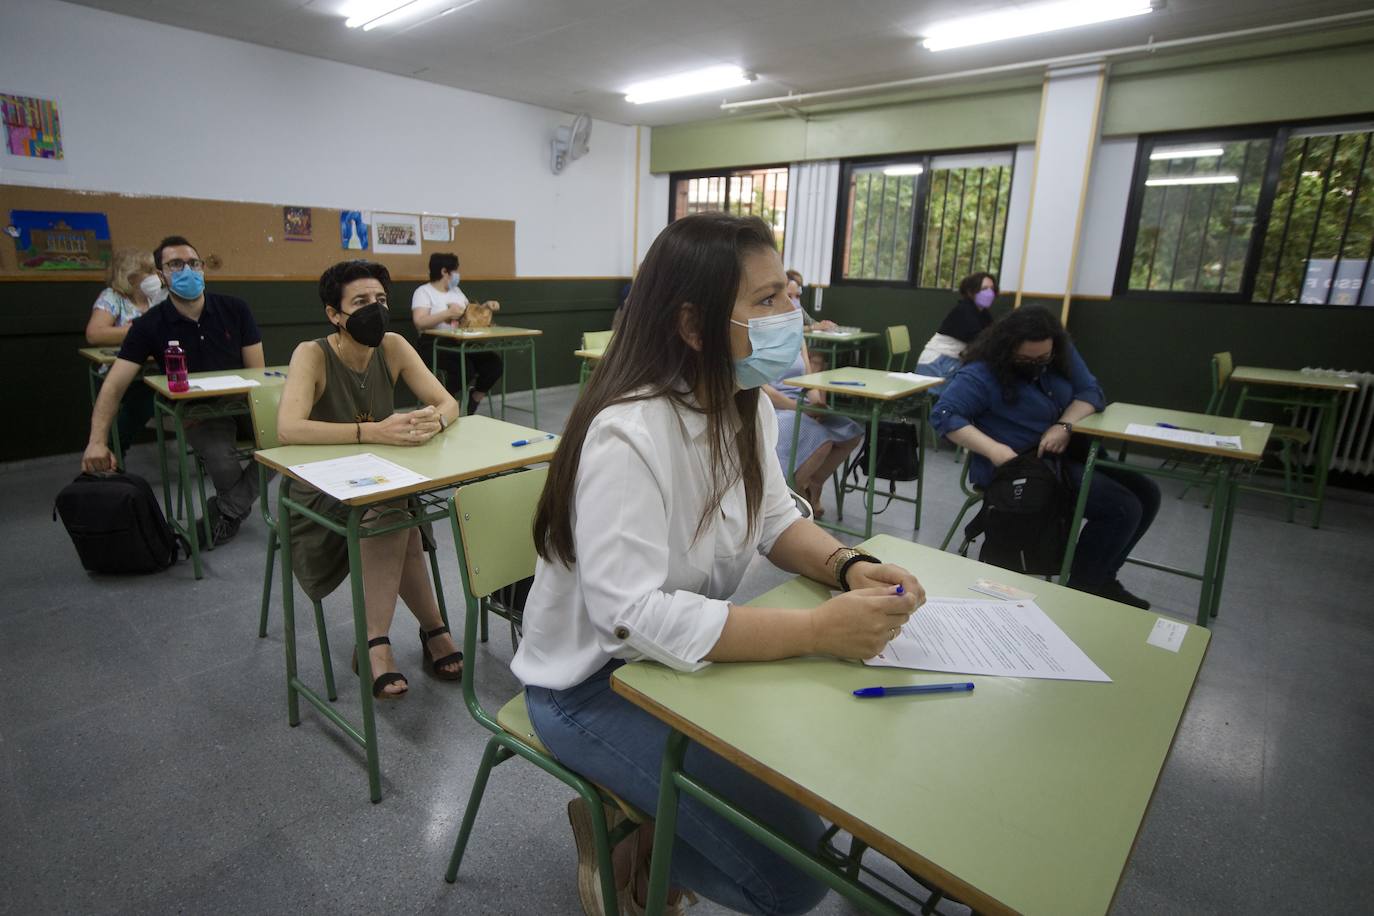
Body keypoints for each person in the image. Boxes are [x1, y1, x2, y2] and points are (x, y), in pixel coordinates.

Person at [512, 213, 926, 916]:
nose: (791, 314)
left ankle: (648, 824)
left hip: (680, 664)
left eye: (787, 295)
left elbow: (775, 521)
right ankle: (629, 843)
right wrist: (819, 631)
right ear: (695, 325)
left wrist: (849, 564)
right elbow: (630, 618)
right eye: (766, 301)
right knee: (794, 881)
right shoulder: (628, 431)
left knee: (820, 789)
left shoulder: (743, 403)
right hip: (590, 688)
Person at [276, 260, 463, 698]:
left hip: (380, 479)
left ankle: (395, 637)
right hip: (319, 488)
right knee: (397, 513)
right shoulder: (311, 354)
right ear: (334, 314)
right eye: (360, 302)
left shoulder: (394, 346)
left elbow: (446, 402)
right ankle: (394, 637)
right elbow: (288, 429)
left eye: (380, 300)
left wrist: (431, 423)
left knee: (396, 508)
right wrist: (371, 432)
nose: (374, 309)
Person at [930, 305, 1159, 609]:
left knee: (1148, 493)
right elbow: (945, 416)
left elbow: (1090, 392)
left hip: (1063, 453)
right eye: (1026, 360)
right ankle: (1082, 589)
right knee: (1122, 508)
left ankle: (1103, 578)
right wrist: (998, 452)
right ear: (1006, 350)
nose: (1036, 365)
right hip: (1019, 467)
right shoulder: (981, 374)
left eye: (1043, 359)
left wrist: (1064, 425)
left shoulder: (1057, 353)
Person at [81, 236, 264, 545]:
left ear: (203, 268)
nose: (187, 270)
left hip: (244, 403)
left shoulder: (235, 309)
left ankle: (227, 510)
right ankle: (233, 508)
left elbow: (257, 373)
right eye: (175, 265)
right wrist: (96, 442)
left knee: (289, 439)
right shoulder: (148, 325)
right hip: (199, 412)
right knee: (221, 458)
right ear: (161, 275)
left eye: (193, 263)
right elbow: (113, 385)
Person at [762, 336, 863, 520]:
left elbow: (808, 379)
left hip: (803, 403)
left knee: (851, 433)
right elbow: (764, 391)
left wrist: (817, 404)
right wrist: (801, 409)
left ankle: (815, 482)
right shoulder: (758, 336)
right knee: (821, 442)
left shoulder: (796, 335)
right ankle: (795, 494)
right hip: (776, 407)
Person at [85, 248, 166, 453]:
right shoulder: (112, 297)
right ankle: (113, 449)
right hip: (122, 372)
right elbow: (95, 334)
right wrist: (137, 331)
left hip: (154, 369)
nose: (155, 276)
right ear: (129, 276)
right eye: (148, 271)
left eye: (156, 271)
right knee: (147, 398)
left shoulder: (156, 299)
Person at [411, 252, 503, 417]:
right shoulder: (423, 292)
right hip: (433, 343)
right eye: (455, 271)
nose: (457, 275)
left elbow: (469, 314)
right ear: (444, 272)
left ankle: (473, 401)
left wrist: (485, 306)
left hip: (460, 341)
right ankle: (444, 404)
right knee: (464, 369)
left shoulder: (456, 291)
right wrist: (447, 313)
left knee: (493, 363)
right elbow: (420, 322)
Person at [914, 272, 998, 382]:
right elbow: (980, 340)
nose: (989, 292)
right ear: (970, 291)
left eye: (991, 288)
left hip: (953, 361)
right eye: (984, 288)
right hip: (939, 362)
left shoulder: (983, 313)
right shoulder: (964, 310)